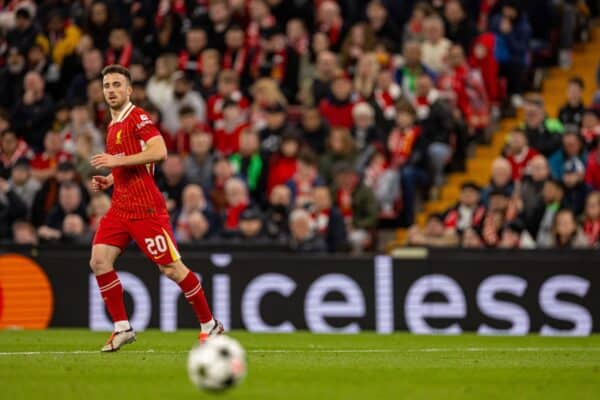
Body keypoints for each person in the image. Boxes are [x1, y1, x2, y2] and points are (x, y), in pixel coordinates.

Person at [89, 65, 222, 352]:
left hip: (146, 209)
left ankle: (209, 324)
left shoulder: (138, 117)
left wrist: (115, 162)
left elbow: (158, 152)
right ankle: (122, 327)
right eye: (107, 85)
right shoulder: (113, 124)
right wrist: (111, 179)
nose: (110, 90)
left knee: (172, 269)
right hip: (120, 208)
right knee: (99, 260)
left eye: (116, 85)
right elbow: (139, 163)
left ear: (129, 90)